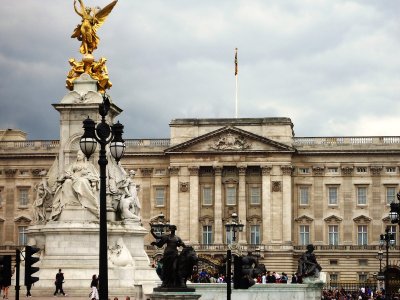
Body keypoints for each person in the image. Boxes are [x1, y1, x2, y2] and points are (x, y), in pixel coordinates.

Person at [50, 150, 99, 220]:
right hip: (73, 178)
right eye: (77, 155)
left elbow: (94, 175)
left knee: (82, 181)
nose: (78, 156)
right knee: (67, 182)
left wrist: (85, 175)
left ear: (83, 156)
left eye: (80, 155)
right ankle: (71, 202)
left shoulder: (88, 165)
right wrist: (69, 176)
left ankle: (86, 202)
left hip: (84, 179)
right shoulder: (73, 164)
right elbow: (67, 172)